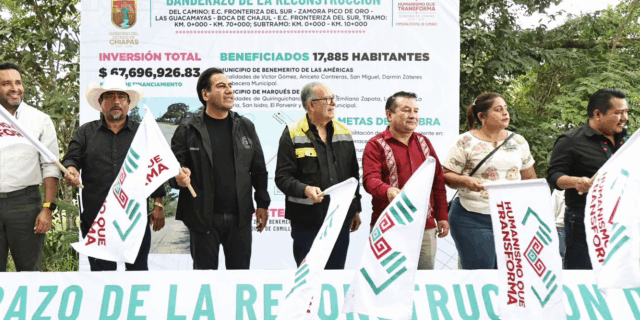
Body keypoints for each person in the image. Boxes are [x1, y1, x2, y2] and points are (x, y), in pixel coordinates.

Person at [169, 67, 270, 270]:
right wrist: (178, 178)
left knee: (240, 278)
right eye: (221, 86)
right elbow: (173, 170)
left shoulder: (246, 126)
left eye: (230, 86)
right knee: (204, 279)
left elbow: (258, 168)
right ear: (205, 94)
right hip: (203, 218)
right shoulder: (187, 130)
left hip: (239, 219)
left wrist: (262, 203)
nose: (229, 91)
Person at [62, 76, 165, 271]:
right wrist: (72, 170)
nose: (116, 101)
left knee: (137, 275)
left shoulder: (143, 132)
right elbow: (71, 158)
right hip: (97, 220)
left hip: (134, 219)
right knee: (101, 278)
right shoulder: (85, 132)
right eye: (109, 97)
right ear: (101, 103)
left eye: (121, 97)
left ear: (128, 103)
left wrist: (158, 203)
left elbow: (156, 167)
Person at [0, 63, 60, 272]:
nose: (15, 88)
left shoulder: (39, 120)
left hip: (25, 205)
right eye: (6, 83)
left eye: (18, 82)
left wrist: (48, 208)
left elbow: (50, 166)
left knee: (29, 272)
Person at [442, 93, 536, 269]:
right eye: (498, 110)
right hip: (471, 218)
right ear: (481, 117)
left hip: (510, 219)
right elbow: (446, 175)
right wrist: (466, 181)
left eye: (506, 109)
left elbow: (530, 178)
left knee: (510, 277)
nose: (505, 113)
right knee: (481, 277)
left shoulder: (518, 141)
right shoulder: (465, 141)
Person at [275, 82, 362, 269]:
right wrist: (304, 189)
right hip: (307, 221)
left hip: (339, 219)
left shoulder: (344, 132)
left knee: (335, 276)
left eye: (333, 98)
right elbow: (282, 177)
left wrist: (356, 209)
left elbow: (353, 175)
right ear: (311, 104)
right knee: (307, 278)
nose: (333, 103)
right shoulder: (291, 132)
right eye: (327, 99)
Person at [362, 92, 449, 270]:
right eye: (406, 110)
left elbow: (438, 182)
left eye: (416, 111)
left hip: (425, 226)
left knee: (424, 281)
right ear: (389, 115)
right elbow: (370, 180)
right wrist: (388, 190)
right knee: (386, 280)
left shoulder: (424, 143)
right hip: (389, 225)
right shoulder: (376, 144)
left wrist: (442, 216)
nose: (413, 116)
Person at [547, 88, 629, 270]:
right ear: (598, 114)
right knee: (583, 274)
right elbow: (554, 176)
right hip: (585, 221)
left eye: (626, 112)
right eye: (618, 113)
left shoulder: (628, 142)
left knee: (621, 274)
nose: (625, 118)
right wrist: (576, 181)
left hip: (624, 221)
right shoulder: (571, 141)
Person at [551, 189, 566, 261]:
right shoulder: (558, 190)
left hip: (577, 225)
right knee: (560, 254)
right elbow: (552, 209)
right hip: (560, 226)